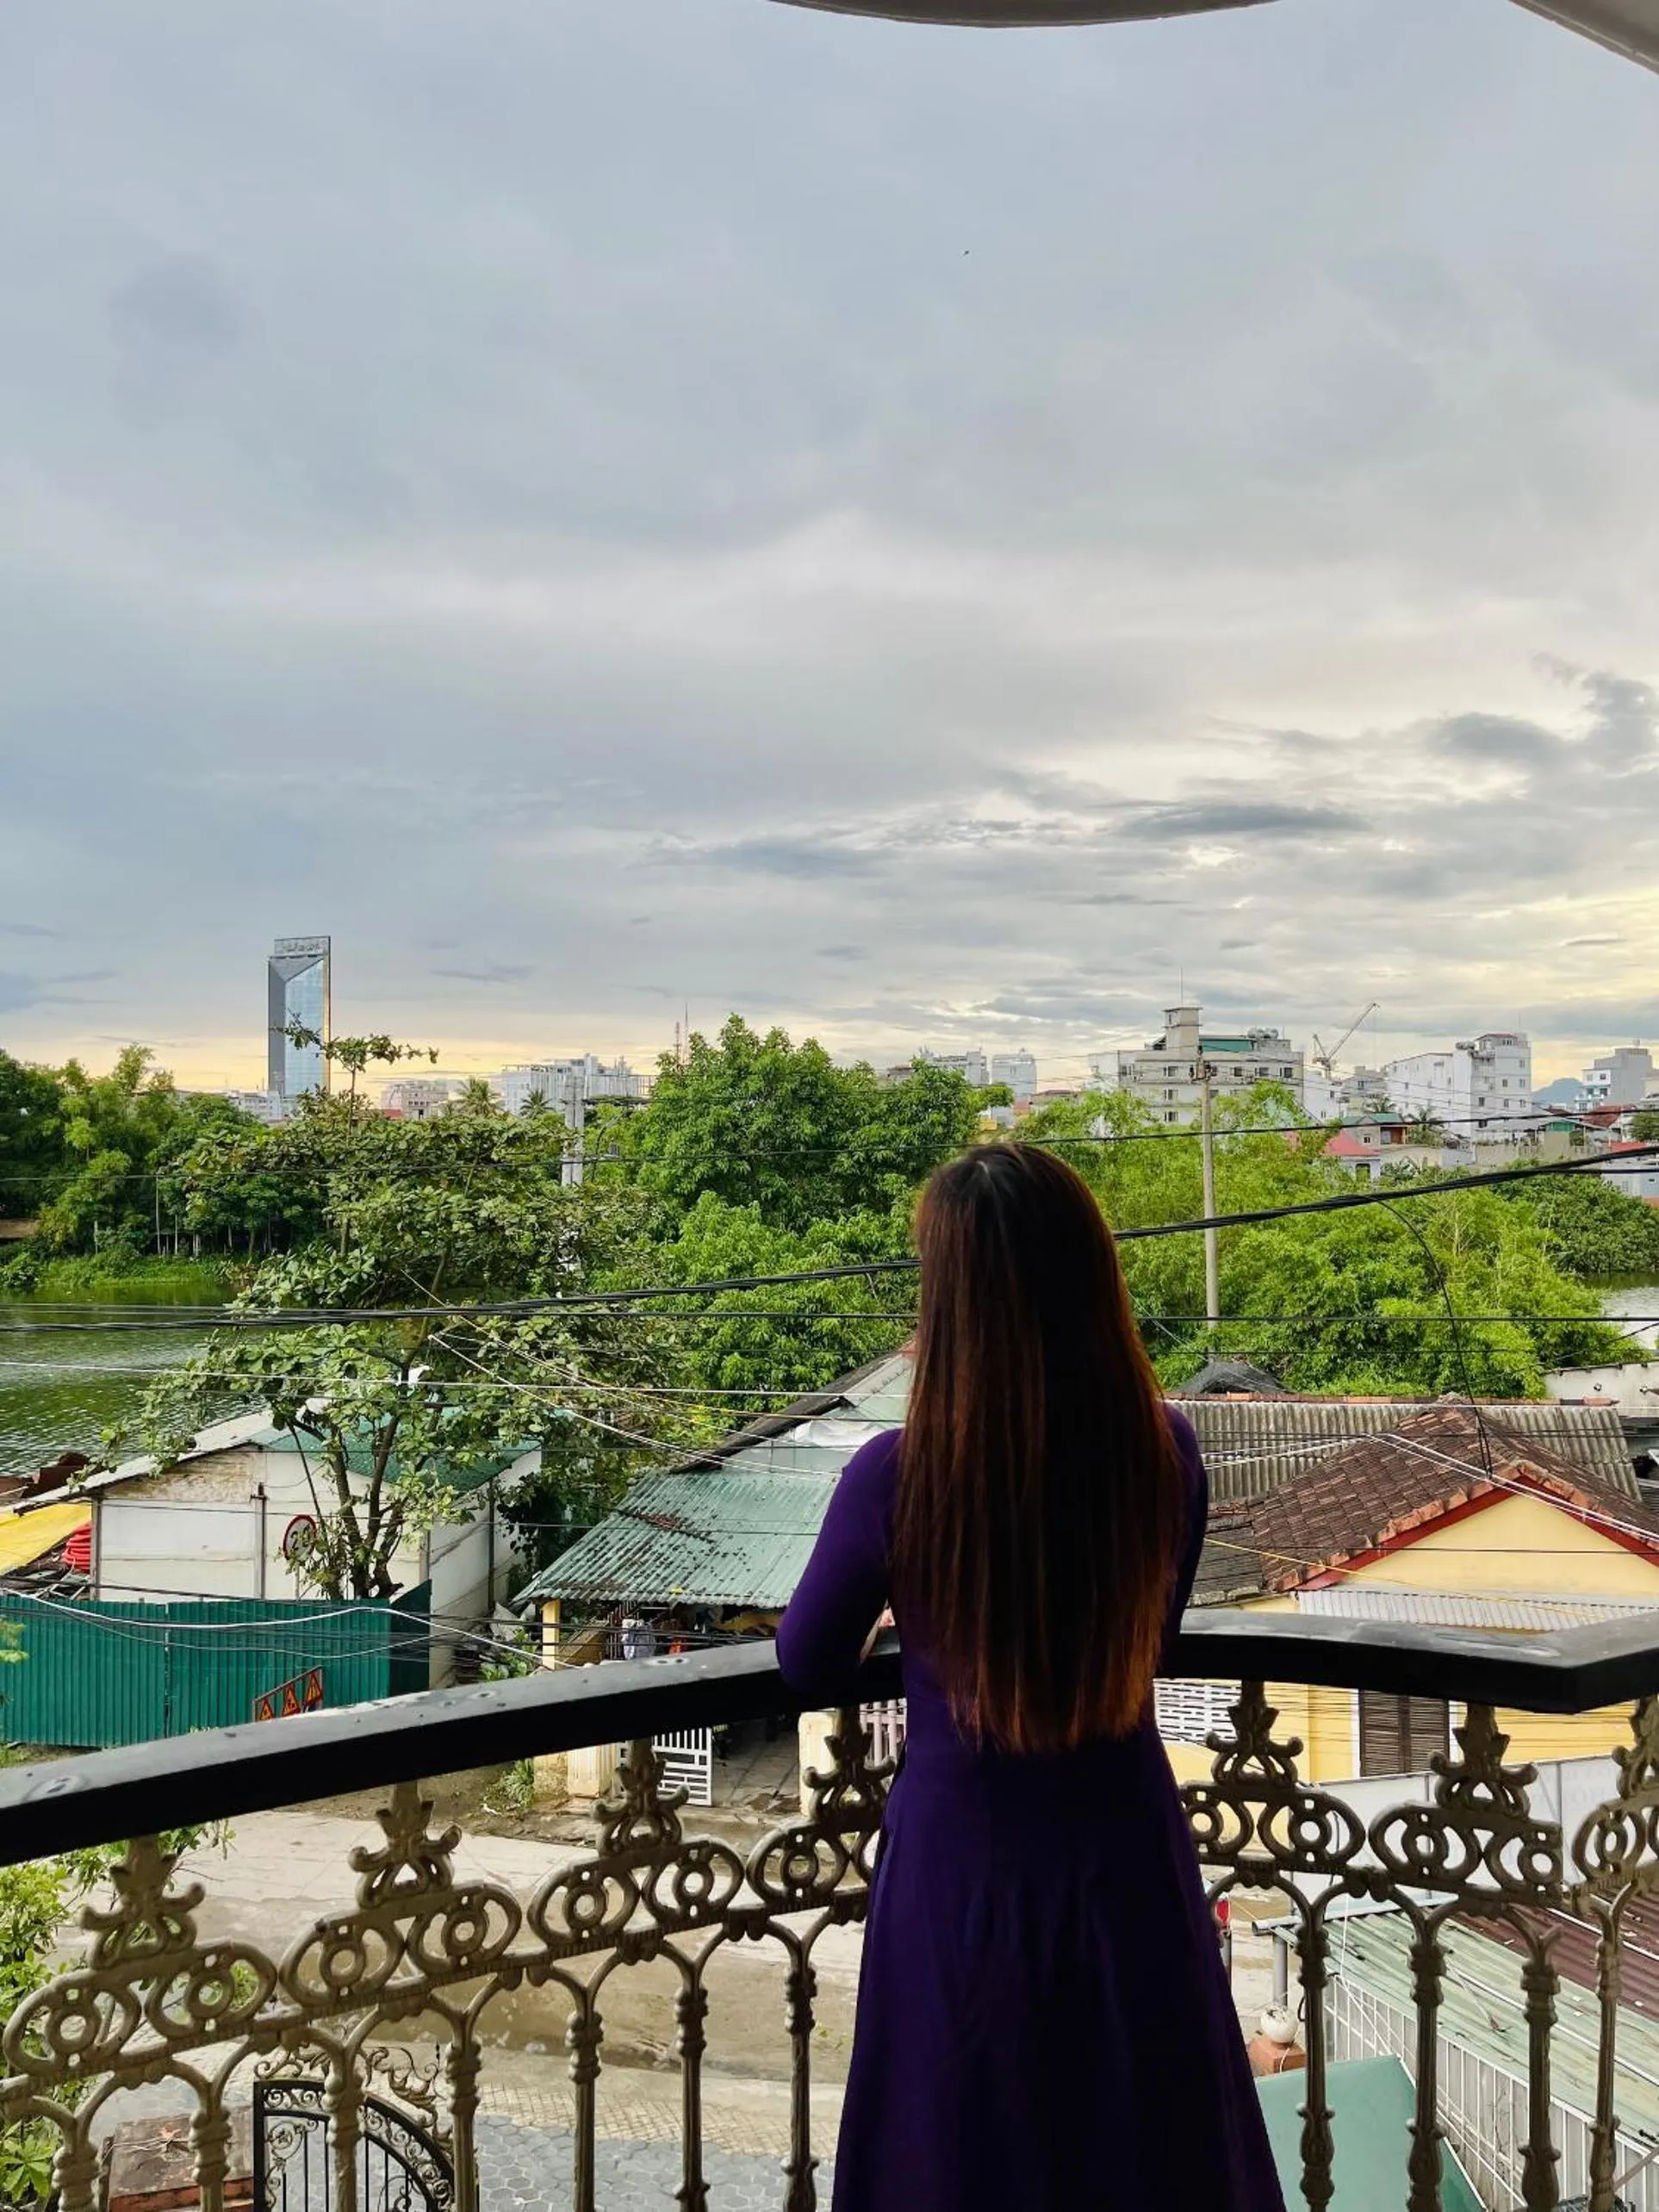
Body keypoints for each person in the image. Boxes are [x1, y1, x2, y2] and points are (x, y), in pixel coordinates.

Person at [776, 1145, 1284, 2212]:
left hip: (965, 1868)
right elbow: (1154, 1637)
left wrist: (907, 1627)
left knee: (962, 2139)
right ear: (1091, 1280)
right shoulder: (1165, 1451)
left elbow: (806, 1661)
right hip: (1125, 1851)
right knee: (1140, 2134)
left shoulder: (895, 1475)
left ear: (950, 1298)